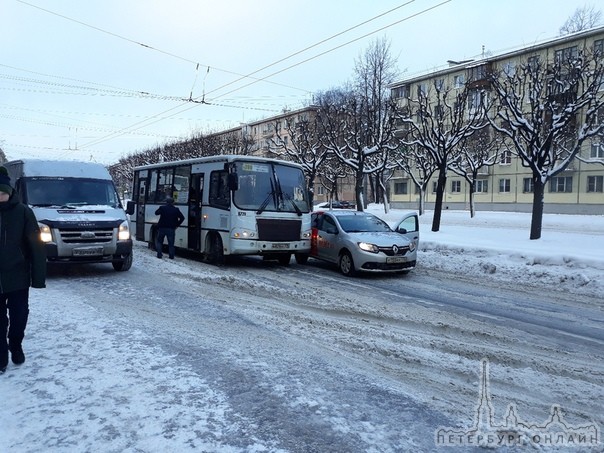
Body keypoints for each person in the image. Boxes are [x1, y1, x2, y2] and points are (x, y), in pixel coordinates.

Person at [0, 165, 46, 374]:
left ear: (9, 193)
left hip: (17, 276)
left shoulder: (23, 212)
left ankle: (15, 343)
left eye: (1, 193)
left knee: (19, 315)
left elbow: (36, 245)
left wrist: (38, 277)